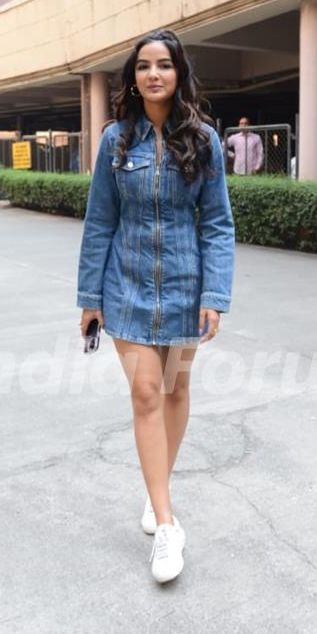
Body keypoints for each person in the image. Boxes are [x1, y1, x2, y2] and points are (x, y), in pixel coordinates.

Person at [77, 30, 235, 584]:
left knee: (177, 389)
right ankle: (167, 526)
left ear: (178, 73)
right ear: (133, 78)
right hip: (126, 287)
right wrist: (90, 299)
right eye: (143, 66)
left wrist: (215, 296)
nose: (153, 74)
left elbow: (217, 224)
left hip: (187, 288)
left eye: (163, 65)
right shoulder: (115, 142)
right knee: (147, 392)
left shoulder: (206, 141)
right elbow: (100, 222)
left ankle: (155, 490)